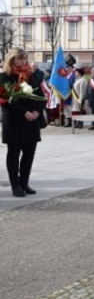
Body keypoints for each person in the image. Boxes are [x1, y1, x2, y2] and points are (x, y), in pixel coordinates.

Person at [0, 48, 46, 197]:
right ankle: (16, 185)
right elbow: (5, 101)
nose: (23, 61)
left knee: (29, 153)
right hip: (14, 121)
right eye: (20, 58)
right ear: (11, 60)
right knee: (14, 154)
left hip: (31, 120)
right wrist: (24, 112)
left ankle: (25, 182)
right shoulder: (4, 77)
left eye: (25, 58)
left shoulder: (30, 75)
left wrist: (37, 112)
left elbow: (40, 95)